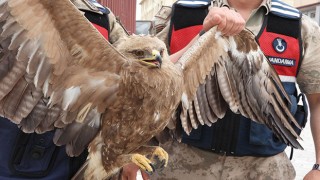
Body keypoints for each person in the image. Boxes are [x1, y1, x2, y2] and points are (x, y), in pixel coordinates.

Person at [122, 0, 320, 179]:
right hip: (181, 165)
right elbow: (142, 87)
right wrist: (133, 151)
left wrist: (318, 167)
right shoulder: (183, 15)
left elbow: (318, 102)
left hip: (263, 170)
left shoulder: (297, 27)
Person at [0, 0, 128, 179]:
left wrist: (127, 155)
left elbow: (133, 82)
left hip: (80, 147)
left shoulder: (101, 16)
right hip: (16, 146)